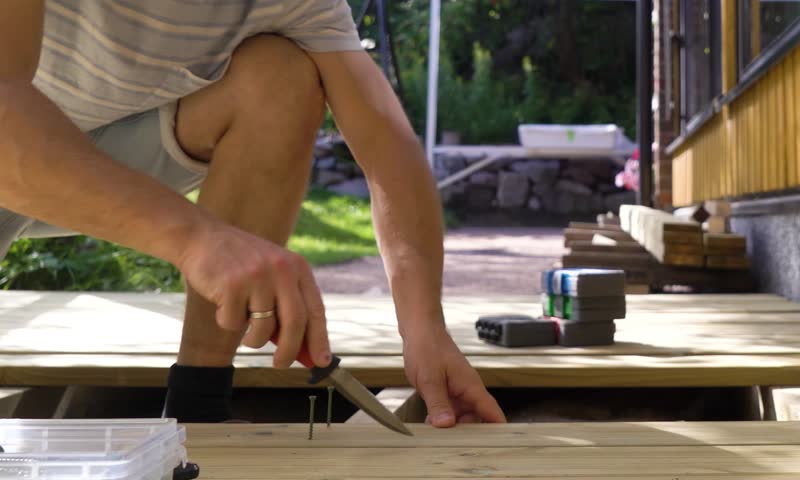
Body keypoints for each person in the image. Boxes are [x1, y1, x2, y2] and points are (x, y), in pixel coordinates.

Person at [0, 0, 505, 426]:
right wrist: (196, 239)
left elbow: (387, 145)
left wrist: (423, 327)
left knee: (279, 73)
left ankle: (196, 409)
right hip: (14, 140)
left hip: (108, 153)